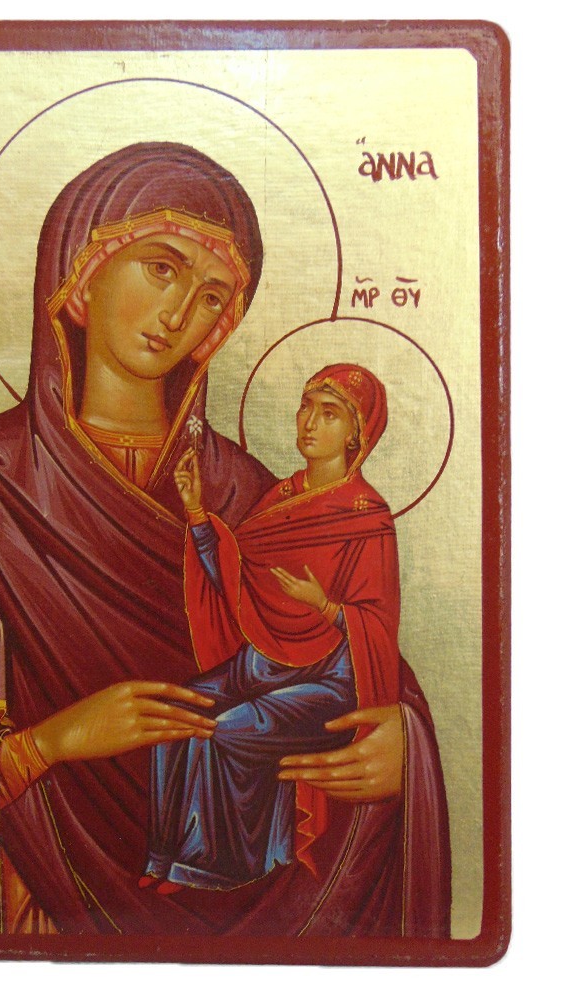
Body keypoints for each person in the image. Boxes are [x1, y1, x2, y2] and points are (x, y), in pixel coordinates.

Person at [0, 142, 450, 938]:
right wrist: (55, 743)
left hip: (264, 921)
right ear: (80, 273)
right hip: (40, 921)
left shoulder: (256, 500)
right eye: (161, 268)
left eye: (210, 297)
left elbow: (353, 662)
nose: (178, 314)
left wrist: (402, 748)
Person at [143, 365, 400, 893]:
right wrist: (197, 513)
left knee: (225, 730)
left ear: (356, 435)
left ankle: (209, 869)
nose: (309, 422)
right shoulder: (281, 499)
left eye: (329, 414)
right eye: (306, 407)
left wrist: (323, 606)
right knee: (175, 714)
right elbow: (238, 585)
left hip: (326, 682)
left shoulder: (366, 516)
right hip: (260, 664)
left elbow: (377, 622)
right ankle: (163, 859)